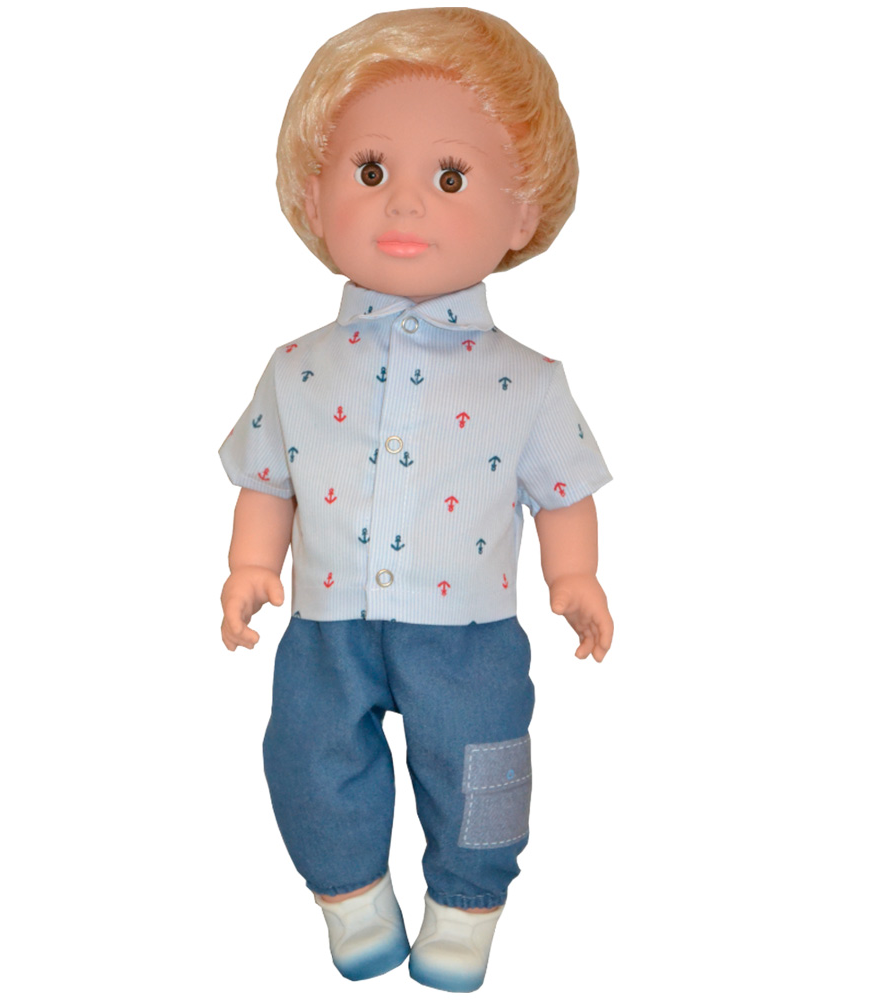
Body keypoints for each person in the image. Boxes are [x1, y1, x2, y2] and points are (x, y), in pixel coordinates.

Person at [219, 8, 613, 992]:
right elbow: (269, 479)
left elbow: (562, 492)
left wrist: (575, 578)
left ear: (522, 213)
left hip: (470, 632)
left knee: (482, 764)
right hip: (325, 625)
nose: (404, 204)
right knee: (307, 756)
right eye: (368, 171)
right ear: (314, 198)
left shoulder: (531, 382)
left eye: (450, 178)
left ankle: (467, 907)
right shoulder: (294, 367)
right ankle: (350, 898)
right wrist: (248, 564)